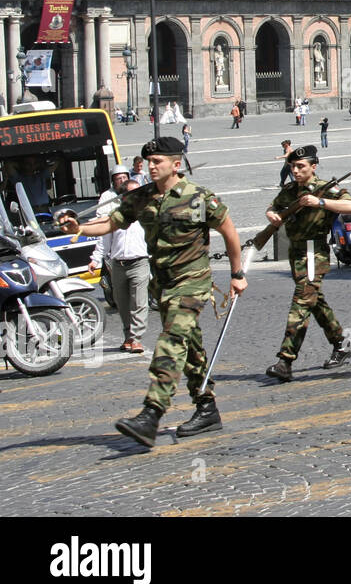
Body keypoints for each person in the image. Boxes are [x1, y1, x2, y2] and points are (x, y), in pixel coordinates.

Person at [58, 136, 247, 449]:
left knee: (172, 342)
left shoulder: (197, 196)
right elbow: (110, 223)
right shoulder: (142, 196)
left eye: (158, 161)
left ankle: (151, 413)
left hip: (192, 282)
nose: (151, 166)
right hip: (163, 284)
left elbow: (228, 229)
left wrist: (237, 273)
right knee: (191, 347)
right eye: (149, 161)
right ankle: (207, 407)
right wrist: (77, 228)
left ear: (175, 164)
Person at [263, 145, 351, 381]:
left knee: (301, 303)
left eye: (301, 166)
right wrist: (271, 214)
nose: (295, 170)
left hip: (315, 252)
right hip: (296, 253)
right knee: (313, 300)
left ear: (313, 167)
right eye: (292, 166)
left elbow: (350, 206)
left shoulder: (326, 188)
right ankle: (341, 342)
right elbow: (274, 205)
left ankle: (286, 359)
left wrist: (320, 203)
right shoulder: (290, 190)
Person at [88, 166, 150, 354]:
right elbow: (104, 240)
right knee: (122, 304)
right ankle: (127, 337)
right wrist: (95, 260)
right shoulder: (116, 216)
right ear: (123, 196)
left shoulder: (147, 214)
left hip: (139, 262)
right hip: (118, 265)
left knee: (139, 303)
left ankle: (136, 338)